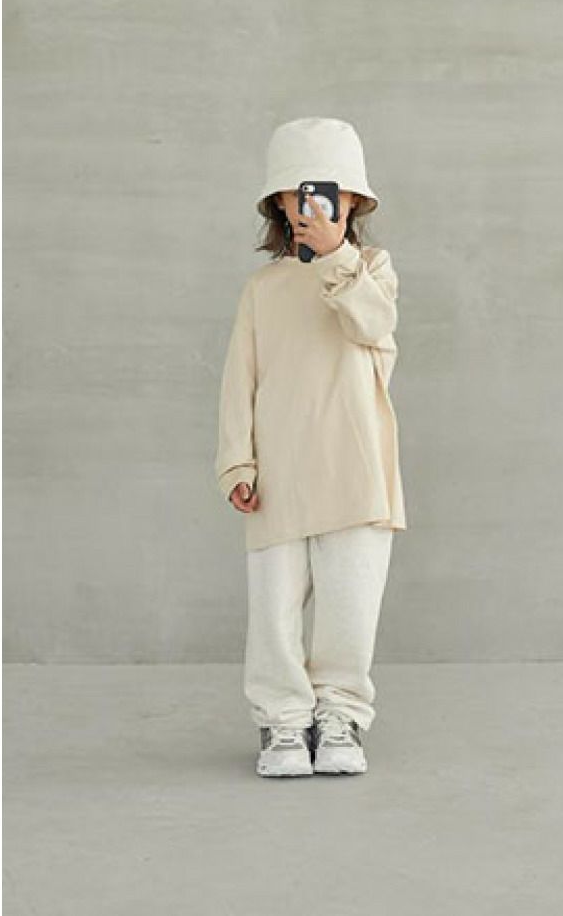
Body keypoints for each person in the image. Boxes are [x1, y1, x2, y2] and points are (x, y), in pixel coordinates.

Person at [214, 117, 406, 778]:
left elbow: (374, 325)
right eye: (299, 193)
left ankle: (340, 714)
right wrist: (236, 462)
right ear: (279, 204)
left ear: (352, 201)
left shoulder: (371, 272)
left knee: (351, 606)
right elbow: (239, 381)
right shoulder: (263, 289)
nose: (313, 205)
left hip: (357, 468)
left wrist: (336, 257)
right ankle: (283, 722)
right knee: (274, 611)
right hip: (279, 472)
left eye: (327, 192)